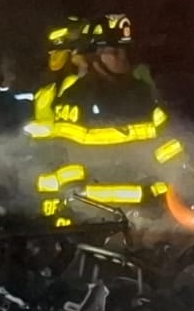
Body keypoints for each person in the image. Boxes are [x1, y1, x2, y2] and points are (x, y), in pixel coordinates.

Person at [30, 15, 185, 226]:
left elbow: (166, 144)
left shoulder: (142, 93)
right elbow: (60, 158)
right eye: (114, 51)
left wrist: (183, 177)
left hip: (149, 212)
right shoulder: (75, 99)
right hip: (94, 216)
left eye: (126, 51)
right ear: (94, 57)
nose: (123, 57)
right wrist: (62, 209)